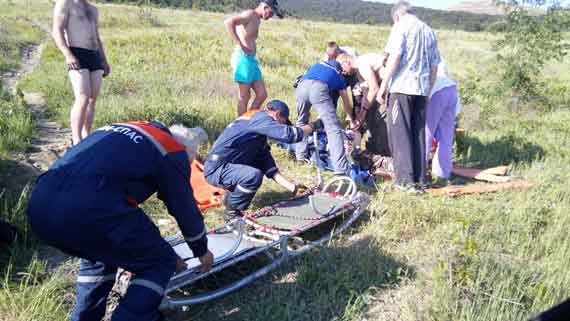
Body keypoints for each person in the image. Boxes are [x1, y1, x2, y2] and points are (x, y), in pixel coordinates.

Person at [27, 121, 214, 321]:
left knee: (100, 258)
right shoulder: (170, 149)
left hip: (40, 204)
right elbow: (184, 206)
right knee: (161, 261)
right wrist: (201, 249)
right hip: (90, 207)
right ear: (184, 148)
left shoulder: (127, 130)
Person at [204, 100, 322, 222]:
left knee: (255, 169)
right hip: (217, 168)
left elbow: (269, 167)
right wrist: (315, 125)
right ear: (276, 115)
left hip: (224, 167)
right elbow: (290, 135)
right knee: (252, 176)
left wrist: (293, 187)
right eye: (282, 123)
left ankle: (230, 198)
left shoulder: (257, 134)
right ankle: (232, 213)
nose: (279, 128)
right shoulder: (260, 118)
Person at [378, 1, 441, 192]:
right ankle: (420, 179)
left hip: (402, 88)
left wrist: (383, 86)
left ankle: (405, 182)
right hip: (421, 90)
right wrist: (428, 91)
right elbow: (434, 66)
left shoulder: (400, 27)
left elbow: (395, 57)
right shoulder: (429, 31)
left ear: (396, 16)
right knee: (418, 134)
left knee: (400, 135)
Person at [52, 0, 111, 145]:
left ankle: (86, 135)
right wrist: (68, 55)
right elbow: (57, 31)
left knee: (92, 99)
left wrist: (104, 60)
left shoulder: (93, 9)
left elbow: (97, 37)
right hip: (77, 53)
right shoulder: (65, 3)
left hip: (94, 55)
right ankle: (76, 138)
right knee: (83, 97)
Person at [295, 60, 355, 176]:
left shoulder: (315, 65)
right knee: (333, 129)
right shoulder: (338, 75)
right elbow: (346, 101)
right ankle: (341, 170)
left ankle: (300, 157)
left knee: (301, 121)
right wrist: (350, 117)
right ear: (340, 70)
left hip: (301, 86)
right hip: (318, 88)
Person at [224, 0, 283, 116]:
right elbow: (228, 22)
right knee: (244, 96)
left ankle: (248, 120)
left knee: (262, 95)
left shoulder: (257, 19)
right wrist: (240, 44)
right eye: (271, 13)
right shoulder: (250, 14)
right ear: (264, 7)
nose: (271, 16)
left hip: (251, 60)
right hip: (243, 59)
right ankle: (241, 125)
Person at [337, 52, 391, 156]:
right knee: (371, 115)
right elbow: (366, 95)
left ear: (347, 62)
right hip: (385, 88)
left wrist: (363, 113)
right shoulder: (358, 73)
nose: (343, 73)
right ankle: (374, 151)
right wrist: (360, 117)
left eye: (342, 69)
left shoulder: (361, 64)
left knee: (381, 118)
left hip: (392, 85)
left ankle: (385, 152)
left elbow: (374, 88)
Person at [425, 61, 461, 185]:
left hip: (436, 92)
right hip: (452, 89)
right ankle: (443, 173)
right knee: (446, 136)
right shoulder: (441, 61)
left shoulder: (427, 57)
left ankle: (420, 172)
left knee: (426, 134)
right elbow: (457, 112)